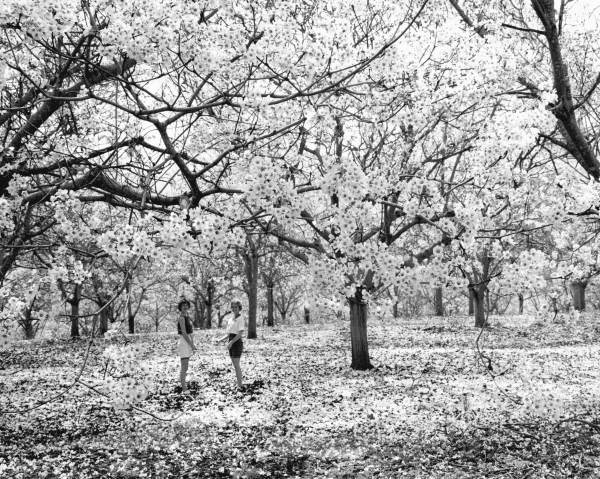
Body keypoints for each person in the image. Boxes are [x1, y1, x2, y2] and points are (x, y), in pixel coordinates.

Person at [217, 299, 245, 390]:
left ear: (239, 308)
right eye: (232, 307)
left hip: (236, 343)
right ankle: (239, 383)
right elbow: (228, 334)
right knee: (234, 364)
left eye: (236, 307)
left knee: (236, 365)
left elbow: (240, 333)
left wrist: (231, 342)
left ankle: (240, 385)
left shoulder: (241, 318)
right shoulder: (230, 319)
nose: (234, 309)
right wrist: (220, 340)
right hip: (231, 342)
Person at [176, 299, 196, 394]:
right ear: (180, 307)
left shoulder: (187, 317)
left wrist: (193, 344)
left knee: (186, 366)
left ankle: (184, 385)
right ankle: (184, 388)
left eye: (186, 305)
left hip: (187, 342)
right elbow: (184, 333)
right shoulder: (181, 318)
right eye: (183, 305)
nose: (185, 307)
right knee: (184, 366)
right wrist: (191, 344)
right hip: (184, 343)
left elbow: (190, 332)